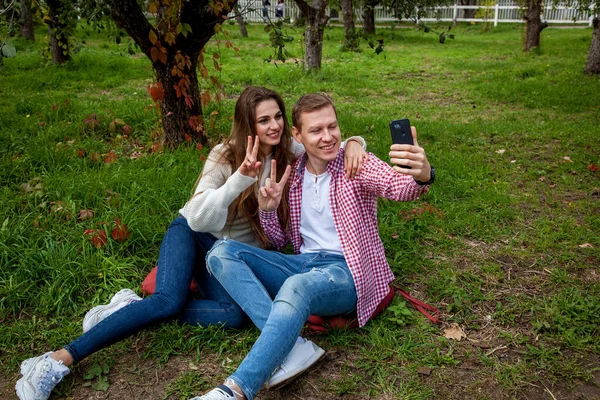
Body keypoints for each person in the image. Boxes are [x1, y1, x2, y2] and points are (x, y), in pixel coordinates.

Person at [14, 87, 368, 400]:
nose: (273, 126)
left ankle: (129, 310)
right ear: (247, 125)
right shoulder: (224, 156)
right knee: (168, 301)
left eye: (277, 117)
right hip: (194, 235)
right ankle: (56, 360)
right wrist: (238, 180)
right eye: (263, 120)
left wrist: (356, 142)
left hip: (230, 258)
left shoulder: (286, 149)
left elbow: (322, 137)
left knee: (234, 315)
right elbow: (198, 217)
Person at [195, 93, 435, 400]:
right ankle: (293, 347)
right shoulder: (292, 175)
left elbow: (398, 187)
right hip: (305, 264)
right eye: (316, 130)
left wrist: (423, 174)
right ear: (297, 135)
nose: (328, 137)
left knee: (297, 286)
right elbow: (280, 243)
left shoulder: (355, 163)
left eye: (333, 127)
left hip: (346, 272)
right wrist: (269, 209)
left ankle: (235, 390)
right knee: (221, 252)